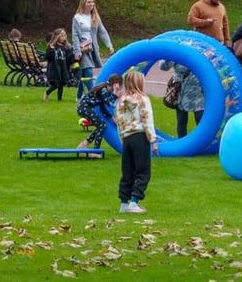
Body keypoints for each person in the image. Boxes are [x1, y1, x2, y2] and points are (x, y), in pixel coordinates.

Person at [115, 70, 158, 213]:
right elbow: (147, 119)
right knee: (143, 171)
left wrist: (122, 137)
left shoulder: (121, 101)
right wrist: (153, 140)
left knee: (127, 171)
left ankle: (123, 203)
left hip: (127, 138)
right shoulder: (143, 99)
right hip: (139, 136)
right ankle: (134, 201)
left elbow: (119, 121)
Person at [72, 0, 115, 101]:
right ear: (83, 4)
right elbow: (75, 35)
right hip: (83, 49)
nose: (91, 4)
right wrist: (77, 51)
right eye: (89, 2)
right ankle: (95, 95)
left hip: (92, 48)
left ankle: (79, 96)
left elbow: (102, 32)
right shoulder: (77, 18)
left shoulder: (95, 17)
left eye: (92, 2)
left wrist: (109, 45)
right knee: (88, 71)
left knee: (84, 73)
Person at [160, 59, 204, 136]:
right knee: (181, 121)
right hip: (181, 92)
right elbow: (163, 67)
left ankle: (202, 143)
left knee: (201, 120)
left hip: (198, 92)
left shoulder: (200, 49)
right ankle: (182, 142)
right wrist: (167, 57)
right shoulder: (177, 50)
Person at [77, 74, 122, 149]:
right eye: (119, 86)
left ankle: (85, 144)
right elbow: (109, 103)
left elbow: (103, 106)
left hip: (85, 108)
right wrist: (115, 94)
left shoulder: (106, 91)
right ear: (115, 84)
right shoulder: (103, 90)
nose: (120, 88)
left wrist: (110, 117)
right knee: (102, 125)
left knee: (101, 126)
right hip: (84, 108)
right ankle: (95, 149)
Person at [43, 28, 72, 102]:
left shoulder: (66, 47)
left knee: (62, 83)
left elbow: (69, 57)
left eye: (64, 36)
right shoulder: (52, 46)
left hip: (63, 68)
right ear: (57, 36)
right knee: (56, 84)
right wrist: (51, 49)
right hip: (54, 68)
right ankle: (47, 92)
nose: (63, 37)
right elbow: (47, 57)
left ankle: (59, 99)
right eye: (61, 36)